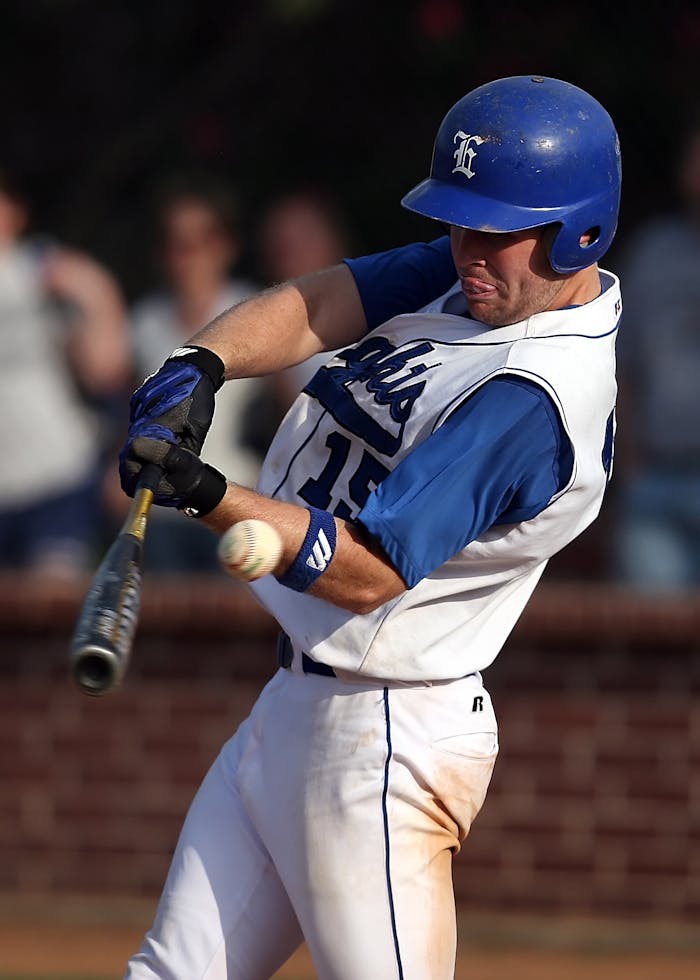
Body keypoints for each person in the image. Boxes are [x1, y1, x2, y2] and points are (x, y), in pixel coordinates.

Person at [119, 75, 622, 979]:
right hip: (295, 711)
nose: (467, 247)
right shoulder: (489, 278)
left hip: (384, 740)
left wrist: (205, 493)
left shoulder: (533, 398)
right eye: (461, 223)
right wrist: (203, 361)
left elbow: (370, 569)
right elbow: (330, 299)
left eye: (496, 229)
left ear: (578, 230)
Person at [127, 174, 269, 573]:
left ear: (226, 245)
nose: (186, 255)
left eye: (198, 242)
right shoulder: (144, 322)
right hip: (165, 510)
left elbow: (291, 407)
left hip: (239, 500)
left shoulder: (259, 314)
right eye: (175, 243)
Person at [0, 171, 130, 578]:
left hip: (54, 476)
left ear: (17, 212)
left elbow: (108, 366)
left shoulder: (43, 268)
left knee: (52, 614)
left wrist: (91, 295)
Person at [613, 113, 700, 589]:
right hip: (657, 478)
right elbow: (623, 365)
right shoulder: (654, 251)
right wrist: (630, 464)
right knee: (653, 651)